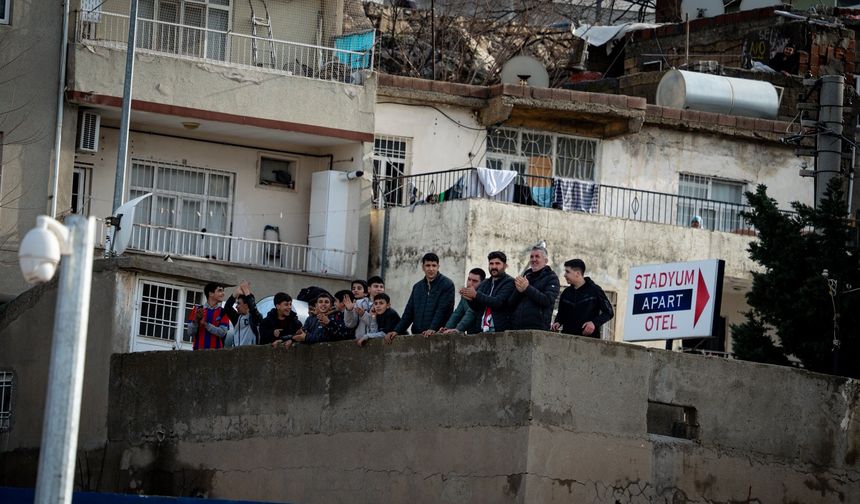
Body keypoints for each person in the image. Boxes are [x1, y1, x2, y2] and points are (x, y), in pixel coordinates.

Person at [385, 253, 455, 343]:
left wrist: (432, 328)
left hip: (438, 337)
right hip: (418, 336)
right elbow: (409, 312)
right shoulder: (417, 287)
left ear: (438, 267)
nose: (431, 269)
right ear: (423, 267)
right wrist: (397, 331)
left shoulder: (447, 284)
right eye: (428, 265)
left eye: (434, 265)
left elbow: (442, 310)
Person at [552, 259, 614, 338]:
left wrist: (594, 323)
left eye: (567, 272)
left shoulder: (595, 290)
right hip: (567, 340)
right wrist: (557, 322)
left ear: (577, 273)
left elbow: (609, 312)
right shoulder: (566, 293)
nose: (564, 275)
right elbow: (561, 314)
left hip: (589, 341)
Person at [462, 251, 516, 333]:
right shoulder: (485, 283)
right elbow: (477, 307)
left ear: (505, 266)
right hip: (482, 330)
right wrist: (469, 298)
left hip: (499, 332)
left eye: (497, 263)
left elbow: (497, 302)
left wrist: (475, 295)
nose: (494, 266)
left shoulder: (510, 282)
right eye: (491, 263)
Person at [509, 246, 560, 330]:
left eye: (537, 256)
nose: (533, 259)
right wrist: (518, 291)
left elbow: (547, 300)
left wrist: (527, 288)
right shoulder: (525, 277)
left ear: (545, 261)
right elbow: (511, 303)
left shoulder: (552, 278)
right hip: (517, 328)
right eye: (531, 257)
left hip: (537, 329)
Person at [186, 282, 230, 350]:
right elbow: (190, 333)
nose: (223, 293)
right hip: (198, 352)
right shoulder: (197, 309)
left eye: (223, 291)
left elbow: (222, 333)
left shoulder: (223, 312)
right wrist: (196, 320)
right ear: (211, 293)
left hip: (217, 354)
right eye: (220, 290)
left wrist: (206, 324)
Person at [441, 268, 485, 334]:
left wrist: (458, 329)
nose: (470, 283)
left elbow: (471, 313)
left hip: (482, 334)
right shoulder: (465, 295)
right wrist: (447, 328)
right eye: (469, 279)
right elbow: (457, 313)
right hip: (471, 334)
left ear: (482, 283)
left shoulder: (482, 296)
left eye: (475, 281)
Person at [224, 281, 263, 347]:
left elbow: (253, 309)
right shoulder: (237, 318)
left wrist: (246, 292)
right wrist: (235, 293)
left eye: (239, 303)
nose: (236, 306)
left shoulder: (255, 317)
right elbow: (227, 308)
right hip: (236, 353)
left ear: (246, 305)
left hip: (250, 354)